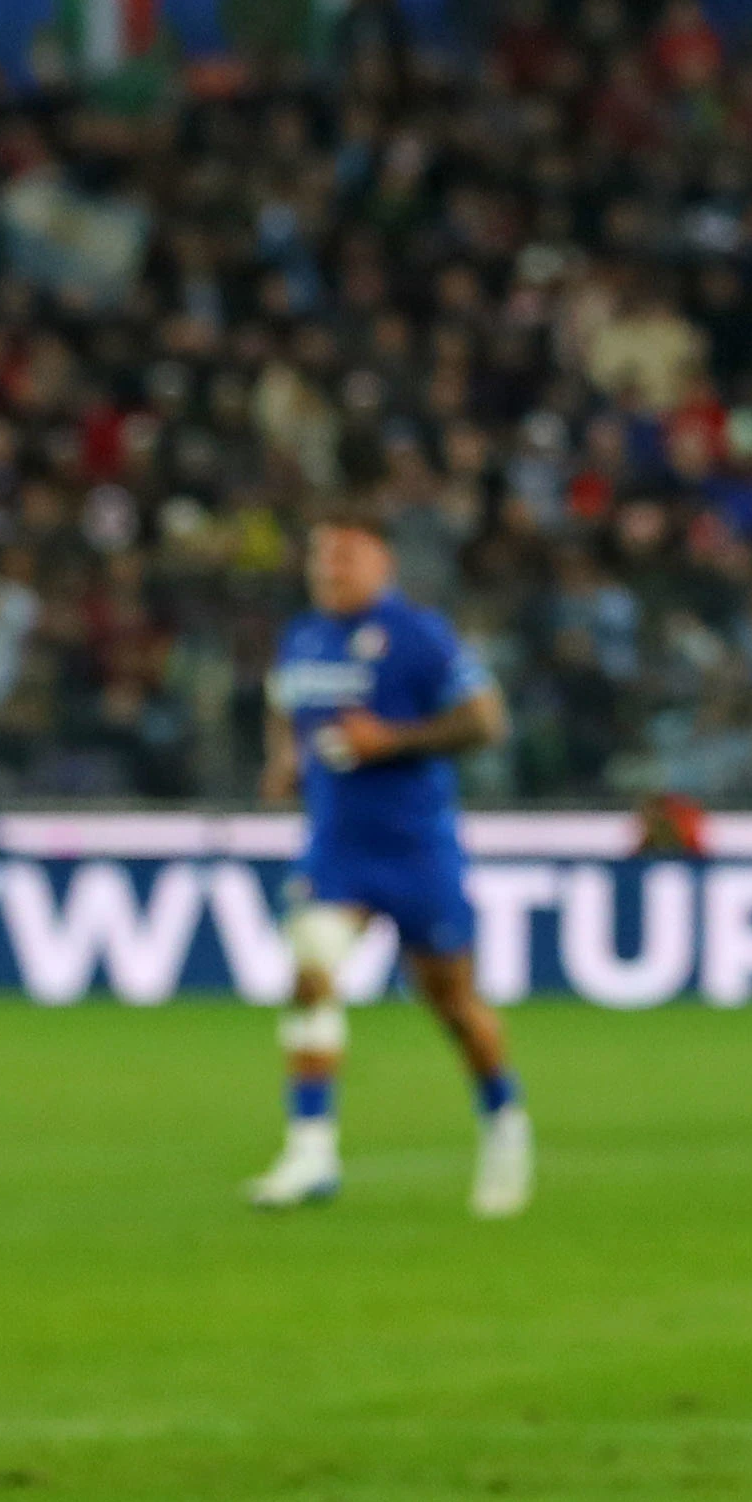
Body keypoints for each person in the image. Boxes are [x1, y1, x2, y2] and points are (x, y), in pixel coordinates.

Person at [248, 512, 531, 1218]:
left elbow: (486, 722)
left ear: (382, 563)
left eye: (343, 557)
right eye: (319, 557)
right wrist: (284, 757)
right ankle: (310, 1150)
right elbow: (283, 703)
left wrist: (394, 739)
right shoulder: (303, 636)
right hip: (337, 848)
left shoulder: (418, 635)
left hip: (415, 850)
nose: (328, 571)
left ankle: (503, 1121)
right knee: (310, 971)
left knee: (453, 1006)